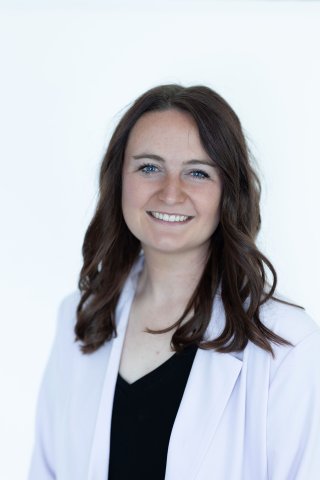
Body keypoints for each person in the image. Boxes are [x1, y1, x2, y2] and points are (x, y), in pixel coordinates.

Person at [28, 84, 320, 480]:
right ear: (119, 181)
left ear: (229, 192)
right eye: (149, 167)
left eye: (197, 173)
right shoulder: (78, 317)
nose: (170, 193)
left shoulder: (285, 343)